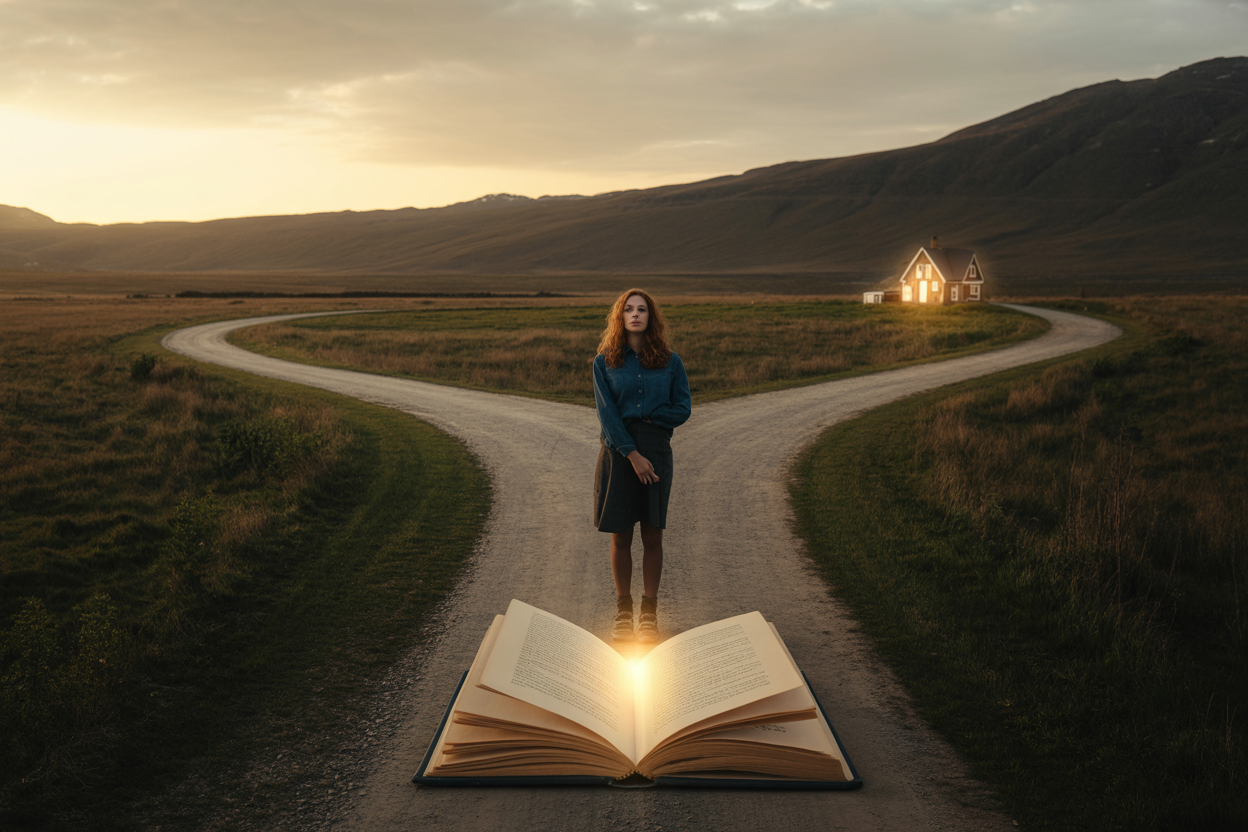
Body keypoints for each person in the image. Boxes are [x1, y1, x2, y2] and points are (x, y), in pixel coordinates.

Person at [592, 289, 691, 644]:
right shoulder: (604, 362)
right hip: (620, 454)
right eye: (629, 309)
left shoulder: (670, 362)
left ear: (652, 317)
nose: (635, 315)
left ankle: (648, 615)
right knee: (621, 535)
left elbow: (682, 408)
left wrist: (649, 417)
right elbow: (608, 416)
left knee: (652, 535)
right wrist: (632, 453)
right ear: (619, 317)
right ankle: (623, 612)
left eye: (642, 309)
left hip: (657, 452)